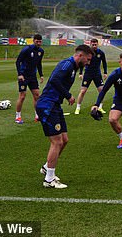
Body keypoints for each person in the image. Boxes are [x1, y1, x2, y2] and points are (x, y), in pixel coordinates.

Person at [37, 44, 94, 188]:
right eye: (87, 59)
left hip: (54, 105)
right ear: (80, 56)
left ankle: (46, 167)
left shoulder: (74, 66)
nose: (88, 62)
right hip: (48, 105)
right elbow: (54, 80)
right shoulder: (67, 64)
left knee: (64, 140)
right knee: (56, 141)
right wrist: (68, 95)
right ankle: (49, 179)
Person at [15, 34, 45, 124]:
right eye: (37, 41)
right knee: (22, 96)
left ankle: (37, 115)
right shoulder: (27, 49)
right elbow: (18, 61)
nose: (39, 43)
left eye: (40, 41)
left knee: (37, 95)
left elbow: (39, 64)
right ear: (33, 40)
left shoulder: (41, 51)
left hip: (33, 76)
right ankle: (18, 116)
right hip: (24, 76)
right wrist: (20, 74)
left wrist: (41, 75)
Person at [74, 38, 108, 115]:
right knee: (83, 91)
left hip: (97, 74)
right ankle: (78, 108)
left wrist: (105, 72)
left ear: (97, 44)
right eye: (93, 44)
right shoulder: (87, 53)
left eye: (95, 44)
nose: (94, 46)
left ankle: (100, 107)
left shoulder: (101, 53)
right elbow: (82, 62)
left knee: (101, 91)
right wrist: (80, 73)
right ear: (90, 44)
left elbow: (104, 63)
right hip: (88, 74)